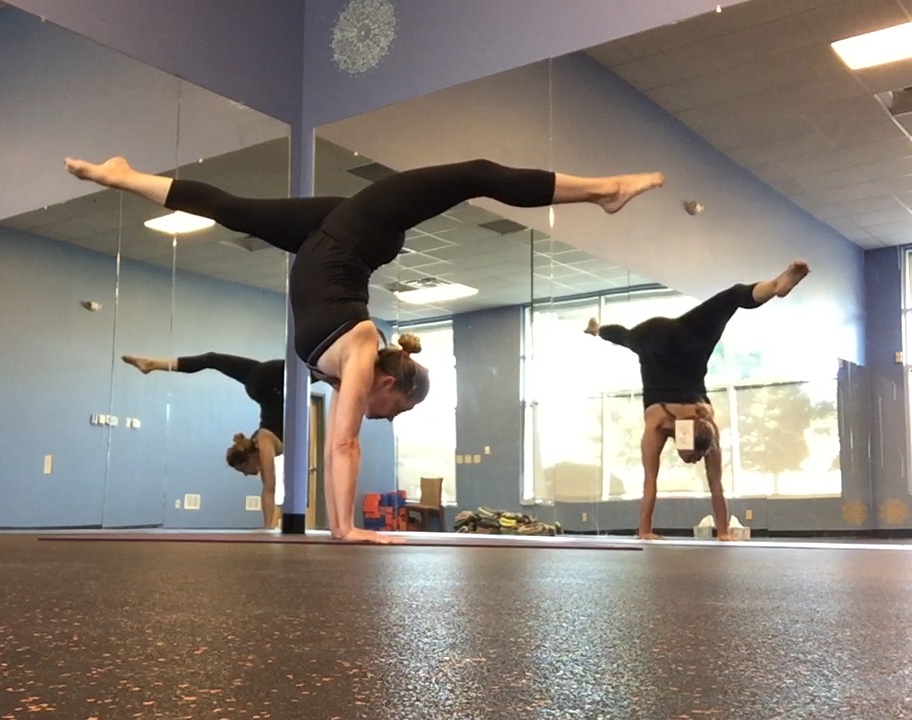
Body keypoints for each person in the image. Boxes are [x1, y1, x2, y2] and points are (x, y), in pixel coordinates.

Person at [66, 154, 664, 543]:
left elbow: (341, 437)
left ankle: (123, 175)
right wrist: (346, 528)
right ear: (388, 382)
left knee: (232, 210)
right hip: (358, 232)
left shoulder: (346, 362)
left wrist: (342, 526)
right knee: (476, 172)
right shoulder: (358, 350)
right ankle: (604, 188)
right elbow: (344, 442)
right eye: (397, 410)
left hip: (327, 234)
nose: (387, 419)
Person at [585, 261, 811, 541]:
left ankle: (775, 286)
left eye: (693, 457)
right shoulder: (667, 425)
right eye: (695, 457)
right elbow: (696, 484)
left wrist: (722, 533)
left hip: (674, 341)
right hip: (662, 339)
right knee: (628, 336)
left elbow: (660, 483)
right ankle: (598, 330)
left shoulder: (701, 424)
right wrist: (645, 531)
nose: (693, 462)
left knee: (731, 297)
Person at [122, 352, 287, 529]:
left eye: (243, 470)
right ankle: (152, 364)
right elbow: (274, 489)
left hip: (271, 380)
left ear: (248, 457)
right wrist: (270, 528)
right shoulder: (264, 439)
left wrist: (268, 529)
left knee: (212, 359)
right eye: (243, 471)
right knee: (211, 359)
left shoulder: (263, 439)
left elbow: (270, 488)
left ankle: (152, 363)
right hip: (266, 381)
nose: (247, 474)